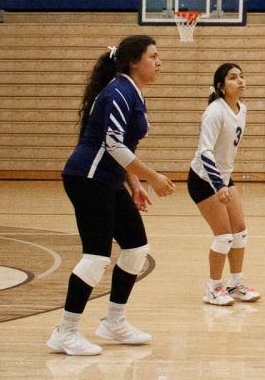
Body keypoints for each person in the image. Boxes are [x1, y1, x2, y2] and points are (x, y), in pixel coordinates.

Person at [47, 35, 176, 357]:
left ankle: (113, 321)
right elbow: (113, 144)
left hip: (109, 180)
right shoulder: (118, 91)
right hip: (87, 178)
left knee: (135, 249)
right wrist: (153, 177)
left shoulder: (133, 92)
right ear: (134, 62)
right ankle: (65, 332)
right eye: (153, 56)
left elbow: (122, 149)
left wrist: (133, 184)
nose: (159, 62)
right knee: (96, 257)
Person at [190, 62, 261, 306]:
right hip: (203, 178)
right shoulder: (214, 111)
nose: (240, 81)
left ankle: (235, 284)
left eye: (242, 76)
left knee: (240, 232)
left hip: (224, 176)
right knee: (224, 236)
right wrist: (219, 184)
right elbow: (205, 152)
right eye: (233, 78)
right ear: (221, 86)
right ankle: (212, 288)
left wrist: (225, 180)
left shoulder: (242, 109)